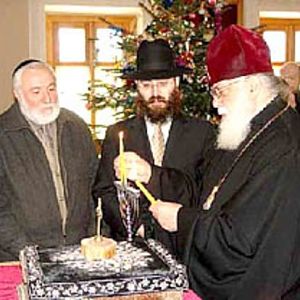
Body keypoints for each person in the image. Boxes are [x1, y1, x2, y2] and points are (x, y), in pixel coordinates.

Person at [115, 25, 300, 299]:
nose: (216, 105)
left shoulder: (282, 145)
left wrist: (181, 219)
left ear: (251, 85)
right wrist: (151, 175)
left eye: (220, 91)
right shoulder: (244, 129)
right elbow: (204, 193)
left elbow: (240, 241)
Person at [93, 39, 215, 259]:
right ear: (137, 88)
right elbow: (104, 192)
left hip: (186, 249)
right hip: (133, 250)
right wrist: (136, 225)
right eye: (147, 85)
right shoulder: (116, 133)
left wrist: (151, 174)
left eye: (163, 83)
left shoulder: (203, 133)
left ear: (176, 82)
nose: (155, 93)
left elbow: (203, 193)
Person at [0, 59, 98, 262]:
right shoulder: (3, 134)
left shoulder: (76, 127)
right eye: (36, 92)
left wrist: (93, 238)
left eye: (51, 89)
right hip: (18, 258)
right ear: (18, 95)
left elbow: (94, 189)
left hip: (78, 253)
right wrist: (28, 252)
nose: (47, 98)